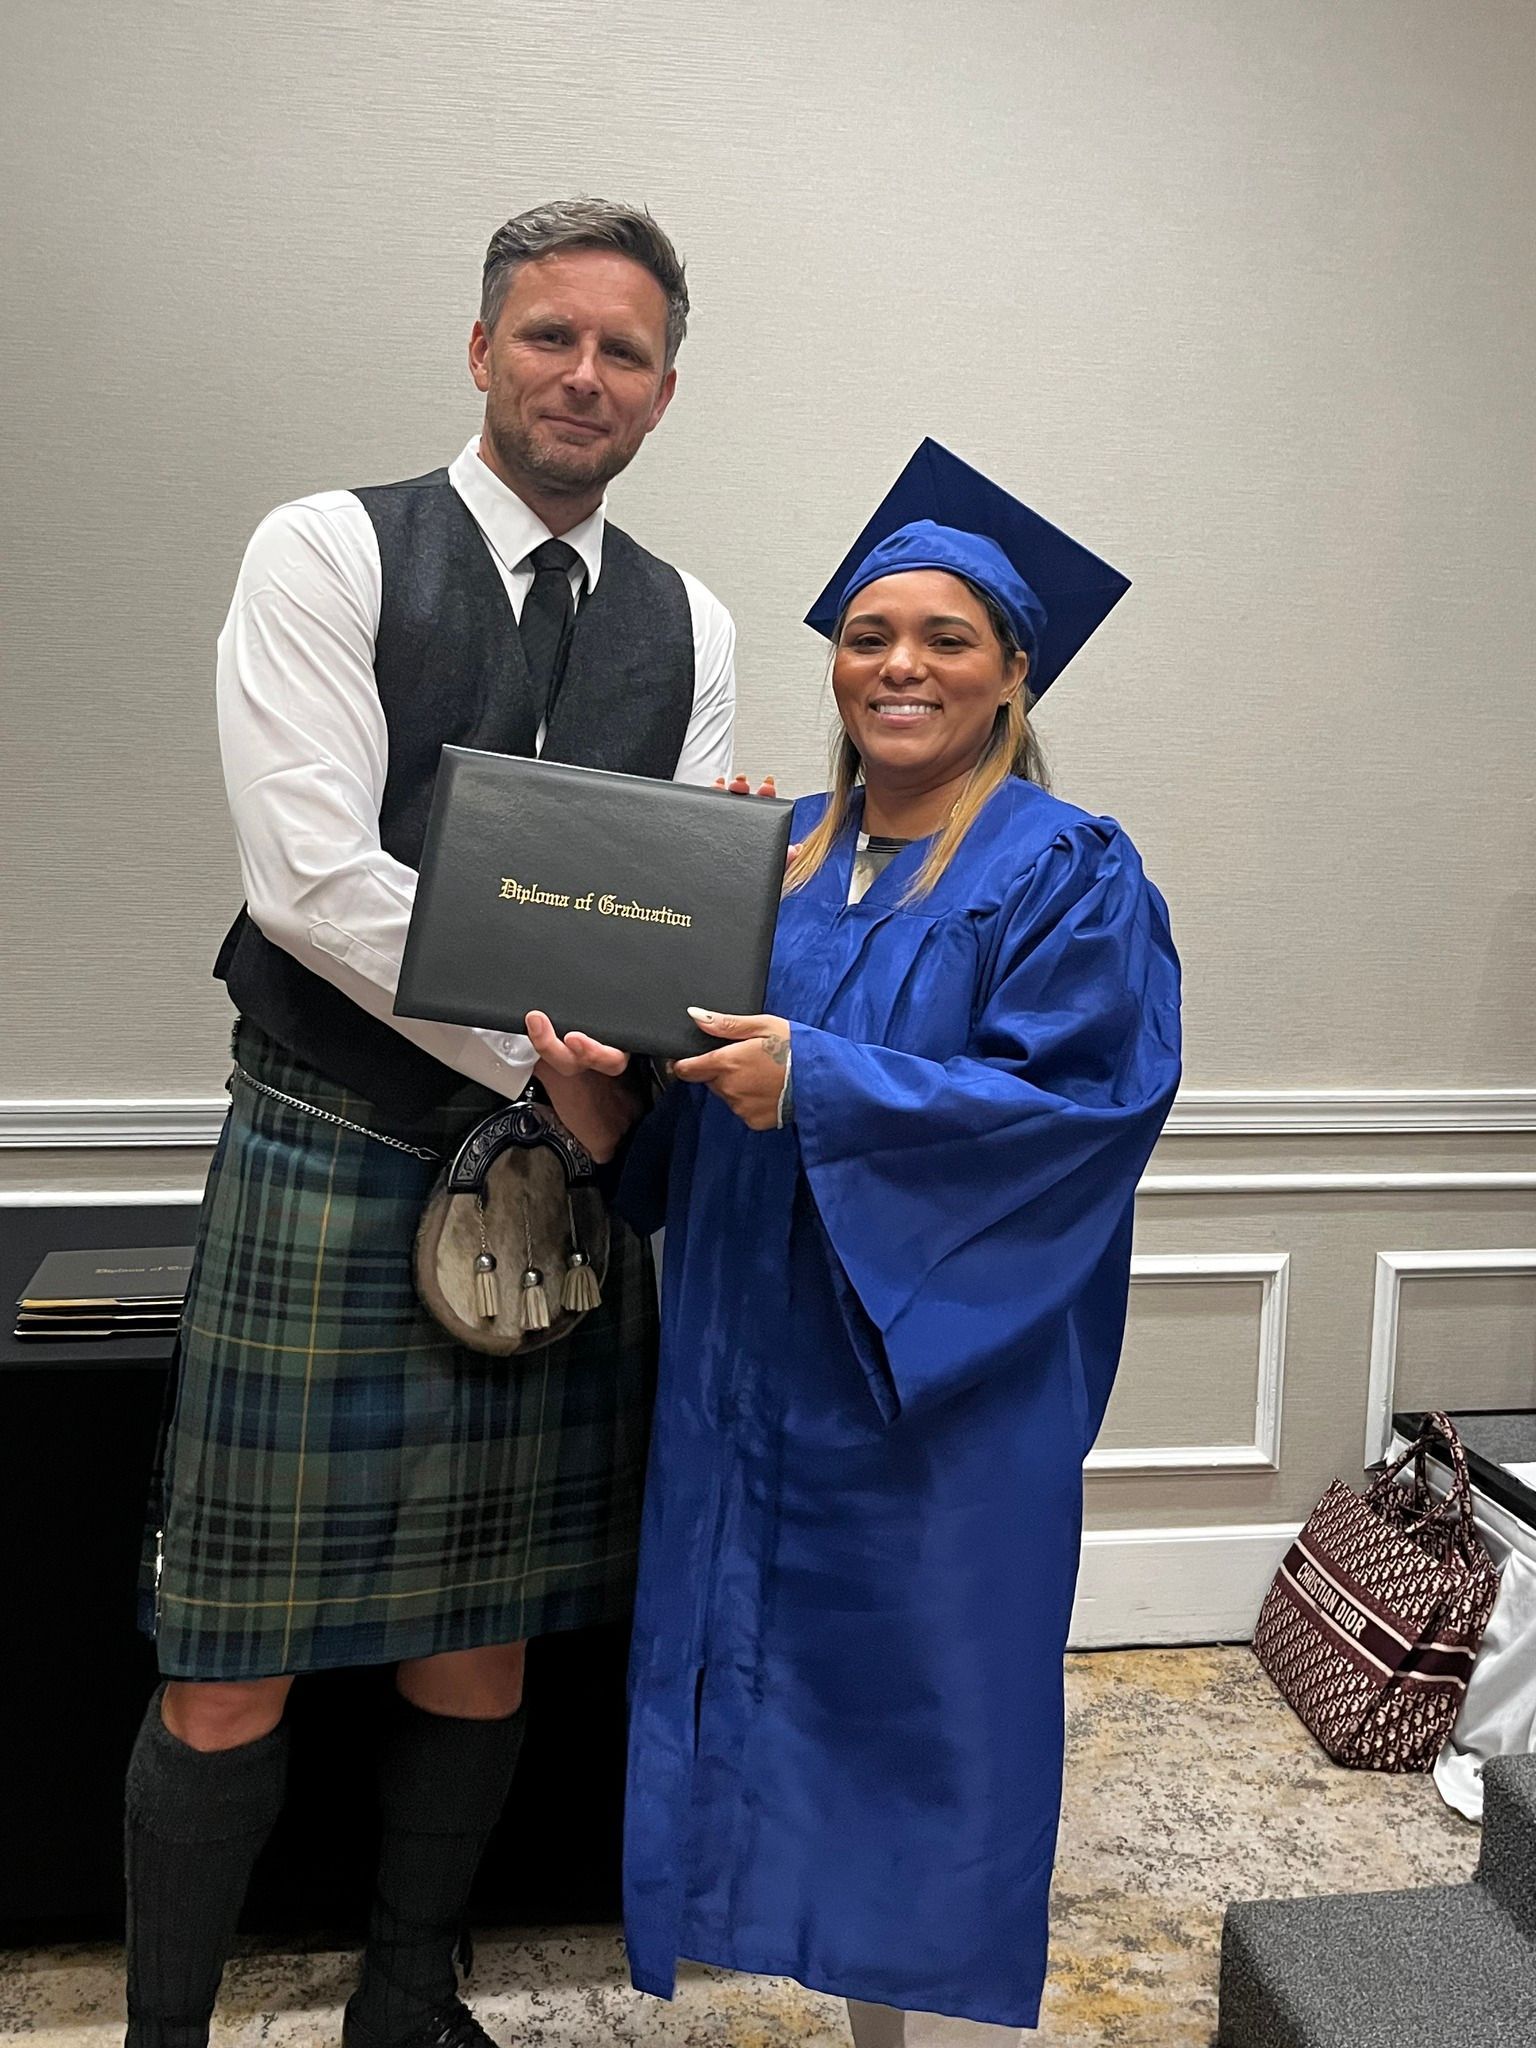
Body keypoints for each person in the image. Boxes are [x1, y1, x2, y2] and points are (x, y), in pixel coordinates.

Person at [125, 198, 736, 2048]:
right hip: (331, 1146)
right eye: (549, 336)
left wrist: (623, 1043)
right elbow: (313, 877)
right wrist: (548, 1051)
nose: (583, 374)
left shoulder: (687, 618)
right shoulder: (325, 549)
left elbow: (680, 899)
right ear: (481, 353)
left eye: (623, 351)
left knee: (481, 1632)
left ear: (665, 391)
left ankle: (409, 1996)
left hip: (549, 1183)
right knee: (228, 1662)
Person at [531, 440, 1183, 2044]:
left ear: (1012, 673)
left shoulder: (1068, 869)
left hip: (927, 1395)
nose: (901, 665)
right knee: (766, 1705)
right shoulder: (774, 859)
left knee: (924, 1716)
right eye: (871, 634)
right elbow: (699, 1127)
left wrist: (822, 1079)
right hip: (750, 1371)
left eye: (947, 638)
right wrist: (602, 1108)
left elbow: (1080, 1110)